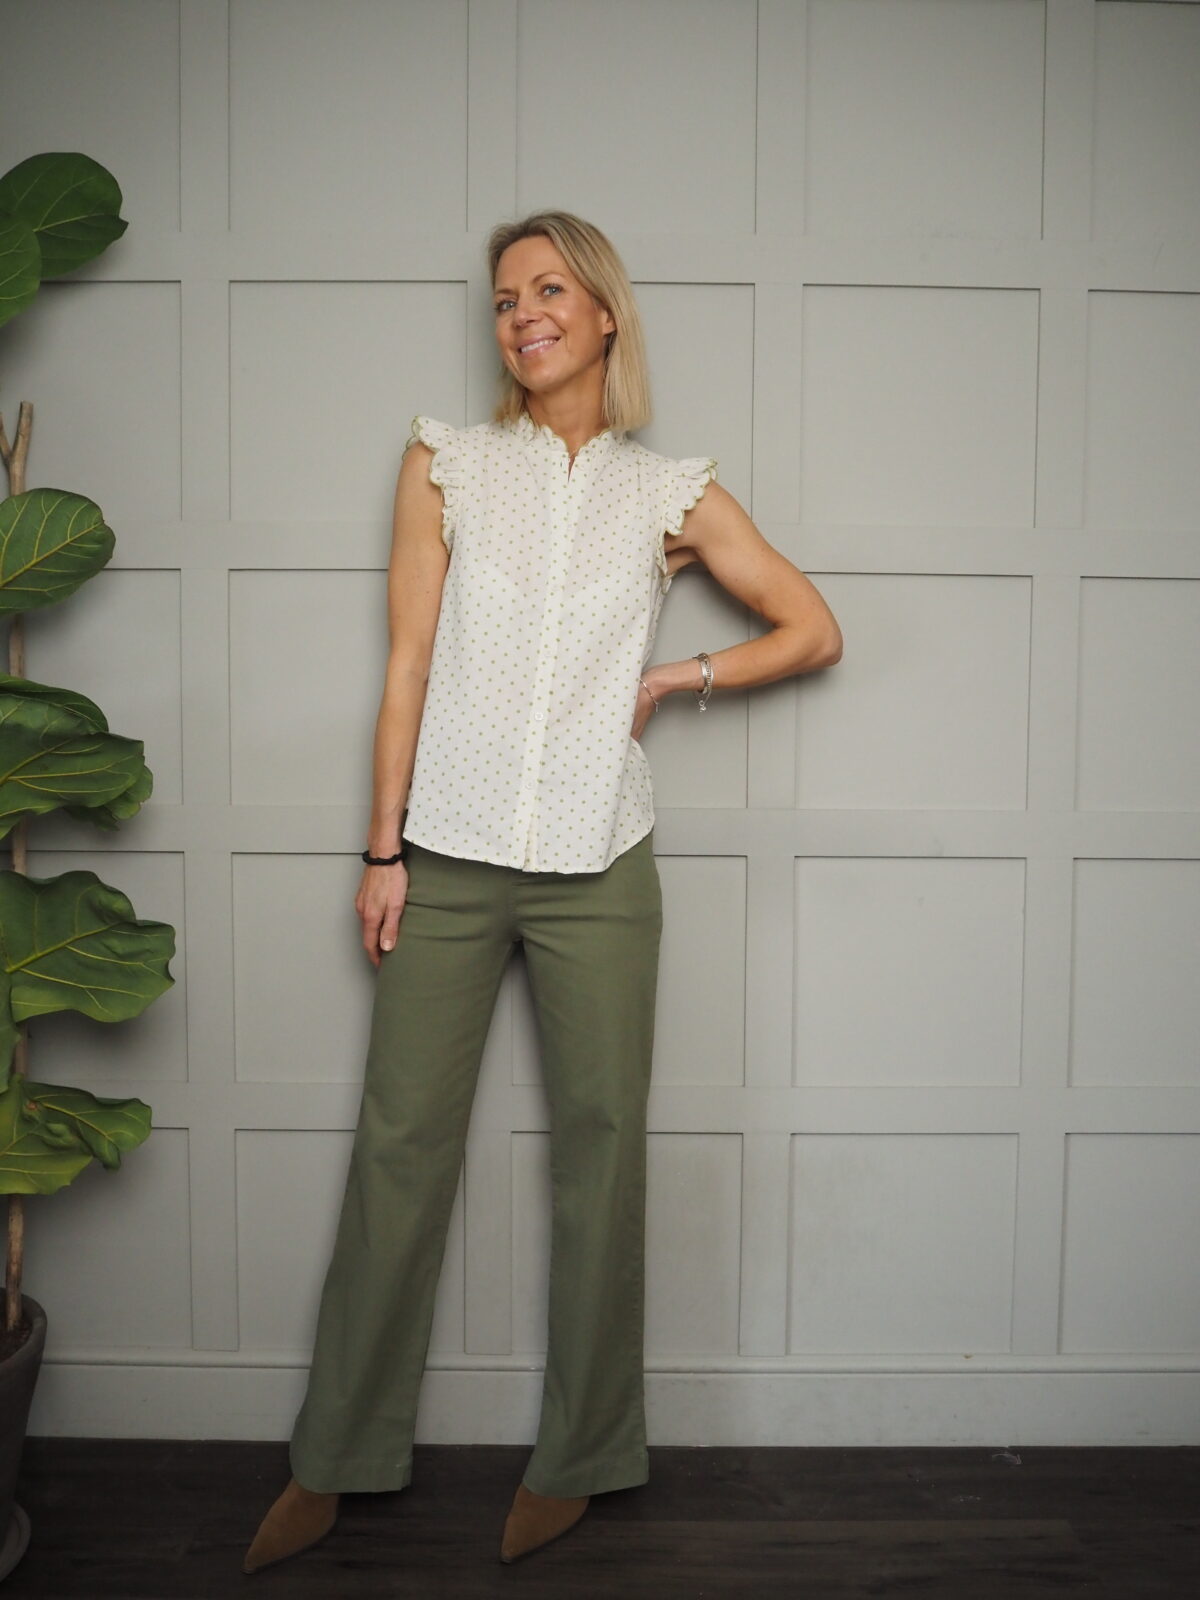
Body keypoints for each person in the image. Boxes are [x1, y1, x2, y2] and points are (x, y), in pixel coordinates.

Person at [243, 210, 842, 1574]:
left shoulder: (669, 492)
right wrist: (381, 851)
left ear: (605, 313)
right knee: (399, 1151)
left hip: (600, 865)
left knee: (602, 1153)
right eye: (507, 298)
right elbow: (407, 663)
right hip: (448, 854)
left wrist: (675, 678)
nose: (523, 314)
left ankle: (583, 1458)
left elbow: (812, 629)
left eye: (550, 290)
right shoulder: (445, 464)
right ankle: (335, 1457)